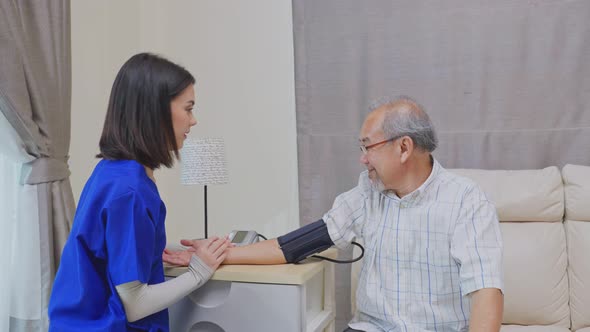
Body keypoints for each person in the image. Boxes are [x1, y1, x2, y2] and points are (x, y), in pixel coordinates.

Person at [164, 96, 504, 332]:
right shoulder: (367, 193)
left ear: (403, 148)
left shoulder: (466, 202)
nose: (362, 159)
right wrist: (219, 254)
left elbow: (486, 293)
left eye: (367, 147)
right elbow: (294, 245)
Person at [48, 53, 230, 331]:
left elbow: (111, 254)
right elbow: (135, 303)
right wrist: (199, 272)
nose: (193, 121)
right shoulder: (130, 190)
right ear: (155, 111)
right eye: (188, 108)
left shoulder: (113, 172)